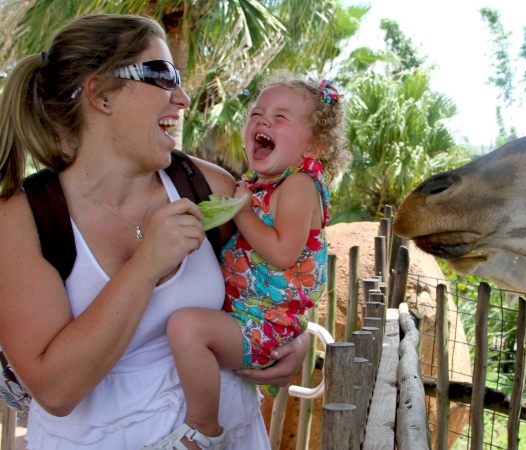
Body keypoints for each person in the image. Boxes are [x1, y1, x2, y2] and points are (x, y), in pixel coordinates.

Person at [0, 14, 310, 450]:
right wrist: (146, 265)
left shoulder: (206, 186)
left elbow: (272, 280)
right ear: (102, 95)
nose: (182, 98)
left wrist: (290, 342)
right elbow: (54, 390)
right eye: (163, 76)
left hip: (229, 435)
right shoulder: (23, 218)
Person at [144, 73, 351, 450]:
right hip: (251, 319)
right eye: (257, 112)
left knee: (187, 328)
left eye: (281, 116)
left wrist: (239, 211)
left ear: (315, 147)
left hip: (265, 325)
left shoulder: (299, 185)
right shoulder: (261, 186)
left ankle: (204, 428)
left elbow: (283, 252)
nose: (263, 120)